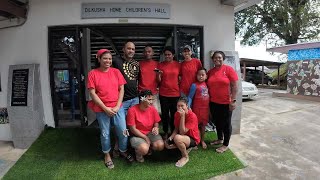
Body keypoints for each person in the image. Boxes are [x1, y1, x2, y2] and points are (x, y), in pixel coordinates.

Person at [87, 49, 133, 169]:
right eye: (105, 58)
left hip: (118, 107)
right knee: (105, 133)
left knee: (123, 131)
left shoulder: (116, 71)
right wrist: (105, 108)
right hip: (102, 108)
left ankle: (122, 150)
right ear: (99, 59)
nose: (108, 61)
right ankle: (107, 154)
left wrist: (117, 106)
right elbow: (93, 93)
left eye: (110, 59)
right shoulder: (93, 73)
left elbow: (121, 89)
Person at [207, 51, 238, 153]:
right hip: (213, 102)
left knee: (226, 124)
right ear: (213, 59)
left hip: (226, 103)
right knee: (217, 122)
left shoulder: (229, 70)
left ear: (223, 58)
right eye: (215, 58)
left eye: (219, 57)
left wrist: (233, 100)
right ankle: (220, 138)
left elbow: (234, 86)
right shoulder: (210, 72)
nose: (217, 59)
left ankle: (225, 144)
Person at [112, 41, 140, 156]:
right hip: (121, 101)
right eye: (128, 48)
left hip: (135, 99)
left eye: (133, 49)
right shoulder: (115, 60)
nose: (131, 51)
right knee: (120, 126)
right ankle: (118, 144)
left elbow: (138, 80)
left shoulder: (136, 64)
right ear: (123, 49)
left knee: (133, 125)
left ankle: (132, 146)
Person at [127, 90, 164, 163]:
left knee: (160, 146)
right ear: (142, 99)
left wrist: (156, 127)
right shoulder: (132, 110)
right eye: (149, 99)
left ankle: (148, 148)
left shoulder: (152, 108)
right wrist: (145, 137)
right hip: (137, 134)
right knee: (144, 149)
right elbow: (133, 129)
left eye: (152, 99)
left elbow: (156, 121)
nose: (151, 102)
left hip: (149, 132)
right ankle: (139, 153)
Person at [165, 96, 200, 168]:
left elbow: (182, 132)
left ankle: (185, 157)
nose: (180, 108)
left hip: (193, 138)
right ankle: (184, 147)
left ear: (187, 106)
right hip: (183, 136)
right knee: (167, 145)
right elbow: (176, 129)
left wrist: (182, 116)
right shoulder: (176, 114)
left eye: (182, 106)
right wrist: (170, 139)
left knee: (177, 138)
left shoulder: (192, 116)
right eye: (178, 106)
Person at [157, 46, 181, 139]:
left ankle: (174, 131)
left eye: (169, 54)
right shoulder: (160, 65)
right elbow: (158, 80)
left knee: (175, 114)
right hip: (163, 94)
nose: (167, 56)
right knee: (165, 114)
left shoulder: (178, 65)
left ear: (173, 55)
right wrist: (159, 75)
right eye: (166, 55)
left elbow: (181, 77)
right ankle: (166, 131)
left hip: (175, 94)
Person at [188, 67, 209, 149]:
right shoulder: (194, 85)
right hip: (196, 109)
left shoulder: (207, 84)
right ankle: (195, 141)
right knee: (195, 126)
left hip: (205, 109)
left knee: (203, 126)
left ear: (206, 76)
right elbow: (189, 97)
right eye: (199, 75)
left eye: (203, 75)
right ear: (196, 76)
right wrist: (189, 106)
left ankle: (202, 140)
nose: (201, 76)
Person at [138, 46, 160, 112]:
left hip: (153, 93)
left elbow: (159, 80)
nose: (147, 53)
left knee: (154, 112)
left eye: (149, 52)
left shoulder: (157, 64)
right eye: (146, 52)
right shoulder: (139, 64)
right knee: (143, 112)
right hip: (142, 92)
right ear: (143, 53)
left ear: (153, 53)